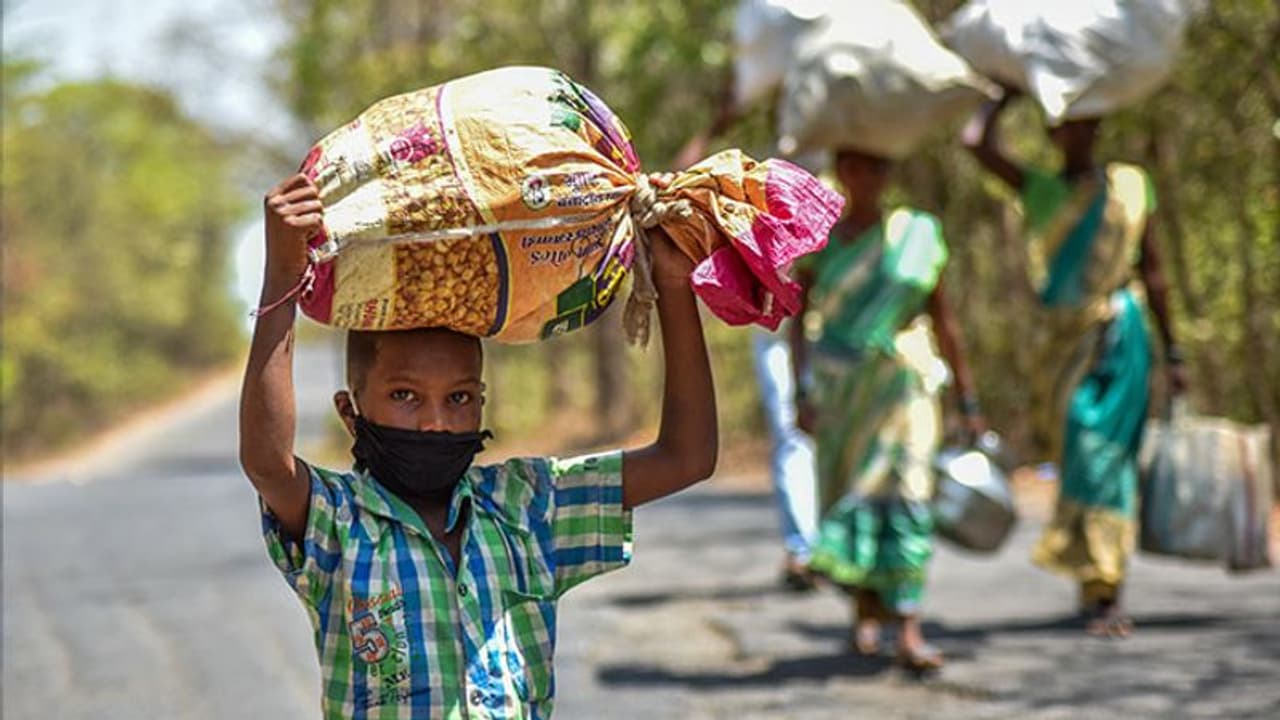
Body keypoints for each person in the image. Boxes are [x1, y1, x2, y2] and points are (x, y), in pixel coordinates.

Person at [239, 173, 718, 718]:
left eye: (461, 398)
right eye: (404, 396)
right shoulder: (337, 523)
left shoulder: (527, 507)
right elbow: (267, 463)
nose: (437, 423)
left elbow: (687, 458)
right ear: (350, 412)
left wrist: (675, 287)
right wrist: (282, 277)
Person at [963, 91, 1187, 637]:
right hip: (1061, 345)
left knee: (1102, 453)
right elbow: (974, 143)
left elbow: (1153, 269)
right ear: (1052, 133)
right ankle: (1095, 577)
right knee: (1078, 450)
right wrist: (1005, 93)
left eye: (1088, 123)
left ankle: (1105, 585)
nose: (1079, 134)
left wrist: (1174, 349)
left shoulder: (1131, 186)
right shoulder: (1041, 191)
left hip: (1121, 337)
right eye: (1067, 125)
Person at [791, 148, 985, 672]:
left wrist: (967, 399)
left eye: (879, 167)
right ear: (843, 170)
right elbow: (798, 320)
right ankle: (864, 615)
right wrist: (801, 393)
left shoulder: (917, 235)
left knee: (906, 494)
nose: (868, 177)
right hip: (842, 394)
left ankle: (909, 626)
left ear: (888, 173)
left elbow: (944, 321)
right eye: (857, 167)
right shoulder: (821, 239)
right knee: (851, 494)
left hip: (904, 388)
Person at [674, 82, 821, 592]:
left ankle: (843, 549)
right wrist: (715, 125)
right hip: (776, 327)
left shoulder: (832, 165)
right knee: (791, 433)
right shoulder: (748, 180)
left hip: (833, 327)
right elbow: (675, 186)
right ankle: (804, 550)